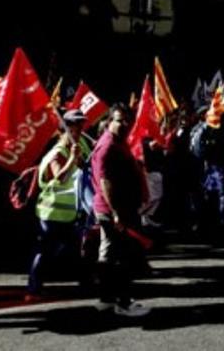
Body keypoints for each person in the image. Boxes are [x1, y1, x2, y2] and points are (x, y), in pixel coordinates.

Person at [90, 104, 150, 317]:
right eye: (119, 120)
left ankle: (107, 298)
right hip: (115, 209)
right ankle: (123, 303)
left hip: (117, 208)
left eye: (127, 120)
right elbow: (105, 181)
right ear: (108, 121)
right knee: (124, 255)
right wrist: (116, 212)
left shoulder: (118, 143)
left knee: (109, 253)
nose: (124, 124)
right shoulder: (107, 146)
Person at [26, 109, 91, 300]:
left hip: (68, 214)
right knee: (44, 253)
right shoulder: (57, 153)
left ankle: (86, 283)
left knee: (76, 250)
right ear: (65, 128)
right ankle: (33, 290)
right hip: (51, 214)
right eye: (75, 124)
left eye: (81, 124)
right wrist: (72, 158)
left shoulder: (79, 147)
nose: (80, 128)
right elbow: (60, 177)